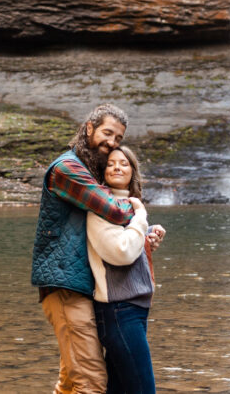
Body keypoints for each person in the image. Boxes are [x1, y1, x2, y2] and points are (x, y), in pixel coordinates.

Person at [31, 103, 136, 394]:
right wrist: (139, 214)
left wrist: (147, 233)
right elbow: (113, 211)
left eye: (118, 139)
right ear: (89, 128)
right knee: (90, 384)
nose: (112, 143)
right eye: (107, 133)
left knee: (69, 383)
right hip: (65, 287)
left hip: (75, 285)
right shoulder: (67, 169)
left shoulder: (86, 170)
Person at [87, 145, 165, 394]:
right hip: (119, 310)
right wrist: (141, 217)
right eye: (110, 163)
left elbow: (131, 244)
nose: (117, 167)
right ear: (102, 171)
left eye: (123, 163)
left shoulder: (128, 205)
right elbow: (121, 253)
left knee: (119, 389)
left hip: (136, 308)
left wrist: (148, 237)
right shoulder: (101, 206)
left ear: (133, 170)